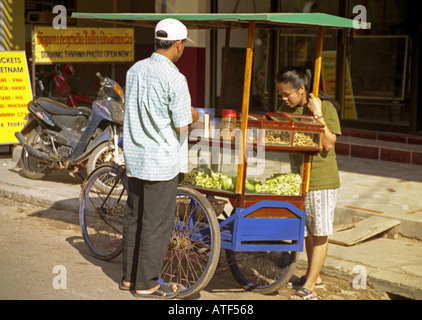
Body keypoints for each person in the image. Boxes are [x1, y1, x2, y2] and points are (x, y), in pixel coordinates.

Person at [120, 18, 198, 299]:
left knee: (134, 217)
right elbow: (182, 121)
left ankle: (129, 278)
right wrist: (195, 115)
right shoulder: (175, 78)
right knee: (156, 223)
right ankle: (147, 284)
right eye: (184, 45)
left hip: (136, 157)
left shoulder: (135, 70)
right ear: (178, 45)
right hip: (161, 161)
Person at [276, 66, 341, 300]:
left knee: (320, 231)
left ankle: (311, 286)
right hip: (299, 178)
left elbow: (329, 143)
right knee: (306, 231)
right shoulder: (288, 108)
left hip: (321, 180)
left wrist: (317, 114)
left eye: (287, 94)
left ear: (302, 89)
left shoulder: (325, 107)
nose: (283, 99)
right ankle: (315, 276)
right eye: (281, 94)